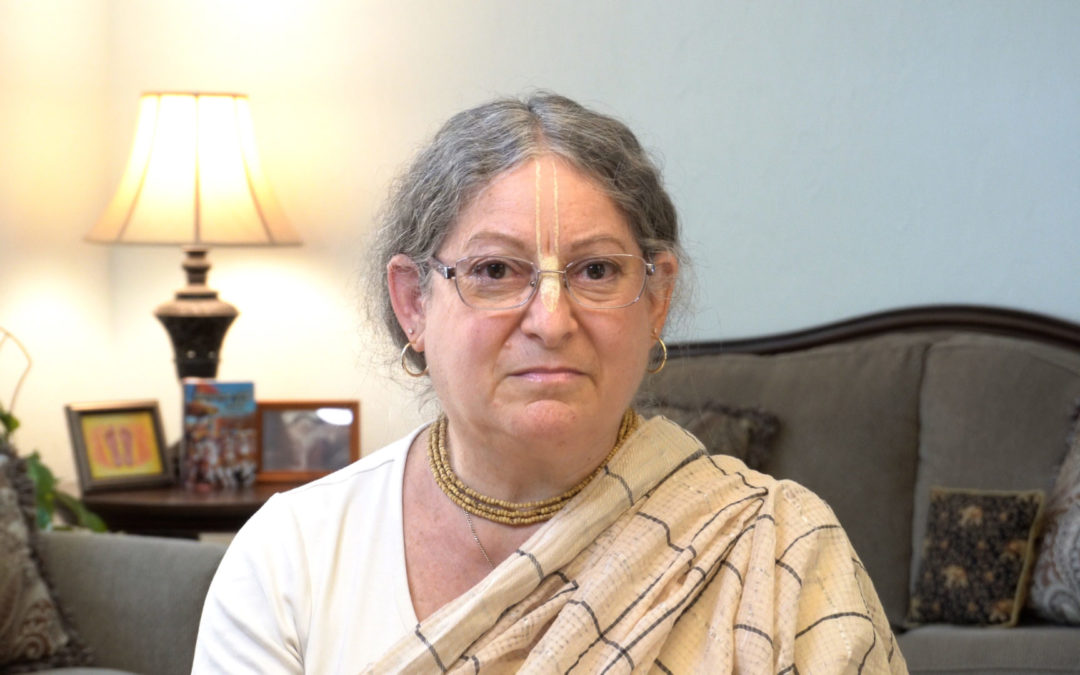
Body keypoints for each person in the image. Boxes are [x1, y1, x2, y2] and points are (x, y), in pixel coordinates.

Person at [193, 92, 905, 673]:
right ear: (413, 302)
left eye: (597, 270)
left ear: (655, 298)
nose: (552, 320)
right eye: (495, 271)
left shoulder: (781, 548)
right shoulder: (291, 557)